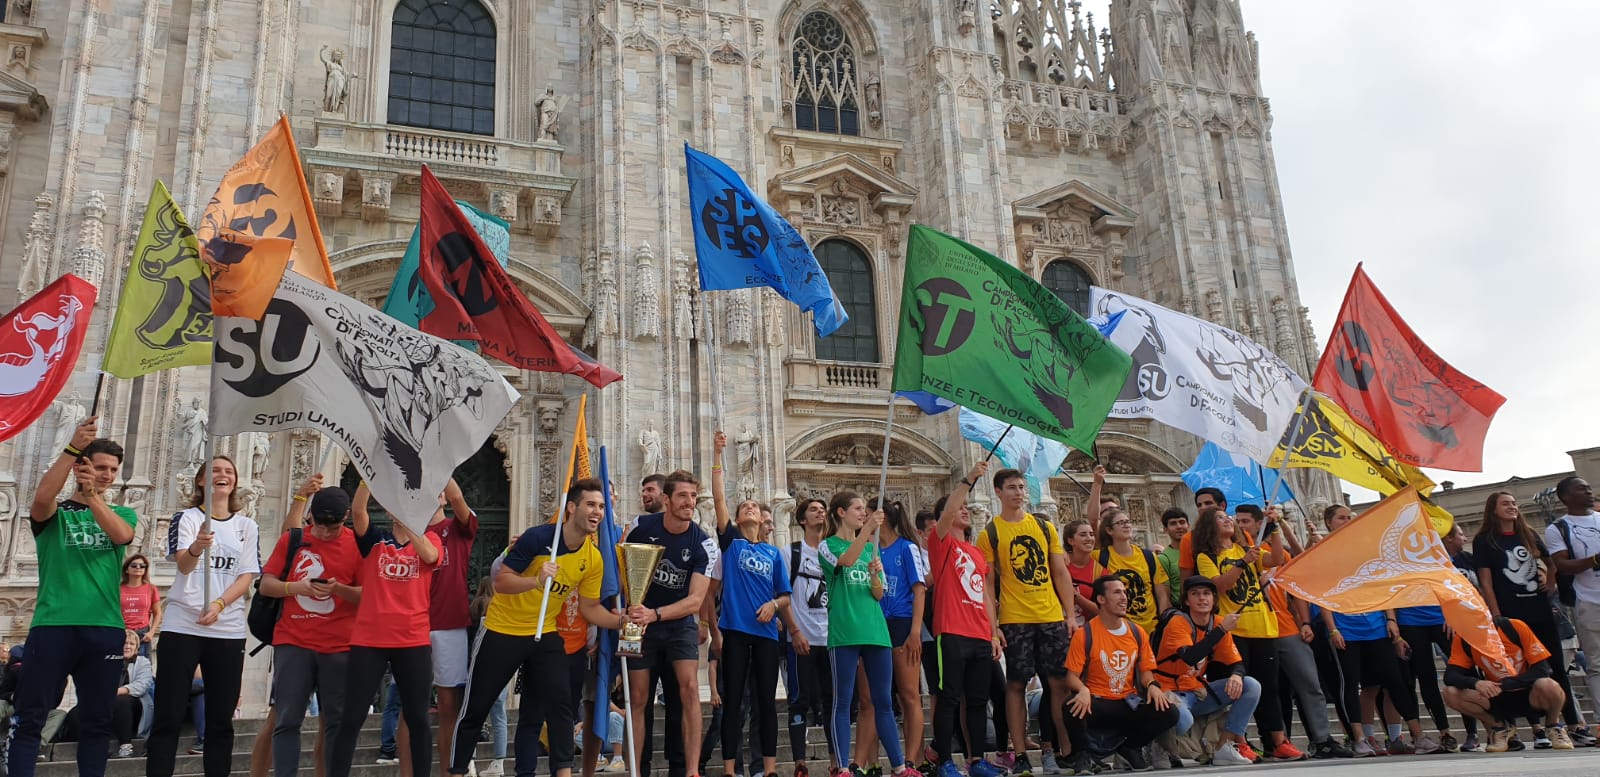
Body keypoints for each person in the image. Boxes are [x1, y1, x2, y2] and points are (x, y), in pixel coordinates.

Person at [450, 478, 626, 777]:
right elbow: (500, 582)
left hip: (544, 633)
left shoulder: (592, 558)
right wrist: (536, 580)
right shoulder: (537, 538)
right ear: (572, 507)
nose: (598, 511)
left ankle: (563, 772)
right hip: (502, 630)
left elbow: (589, 608)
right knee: (476, 707)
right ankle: (455, 771)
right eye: (591, 504)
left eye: (601, 506)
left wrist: (623, 620)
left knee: (560, 709)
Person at [9, 419, 135, 777]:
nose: (108, 474)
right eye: (100, 467)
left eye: (113, 469)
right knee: (31, 716)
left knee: (97, 720)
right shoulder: (55, 516)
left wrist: (94, 494)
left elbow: (122, 535)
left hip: (104, 628)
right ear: (83, 467)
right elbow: (41, 499)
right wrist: (71, 449)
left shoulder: (122, 513)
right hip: (53, 626)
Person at [149, 456, 261, 777]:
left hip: (226, 629)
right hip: (182, 624)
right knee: (168, 714)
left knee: (220, 719)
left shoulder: (246, 526)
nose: (222, 475)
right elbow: (183, 565)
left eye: (229, 471)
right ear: (201, 481)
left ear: (235, 481)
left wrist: (220, 605)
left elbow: (247, 575)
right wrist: (198, 545)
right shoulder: (185, 518)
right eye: (215, 471)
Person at [707, 431, 804, 777]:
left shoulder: (772, 553)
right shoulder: (731, 543)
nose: (750, 508)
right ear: (737, 518)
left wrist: (774, 607)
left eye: (754, 507)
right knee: (733, 702)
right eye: (745, 506)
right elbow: (718, 500)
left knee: (766, 702)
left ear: (762, 520)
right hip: (735, 631)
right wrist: (717, 457)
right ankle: (731, 770)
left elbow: (784, 594)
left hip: (764, 633)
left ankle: (771, 768)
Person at [329, 488, 443, 777]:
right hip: (369, 640)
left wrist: (410, 525)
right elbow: (357, 512)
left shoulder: (429, 540)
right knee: (351, 717)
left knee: (418, 717)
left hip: (412, 640)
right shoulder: (376, 541)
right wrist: (370, 476)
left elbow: (430, 556)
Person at [977, 468, 1075, 777]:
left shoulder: (1044, 527)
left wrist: (1069, 614)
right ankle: (1020, 752)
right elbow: (988, 584)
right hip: (1015, 617)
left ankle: (1057, 749)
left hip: (1049, 614)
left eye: (1021, 487)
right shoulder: (990, 532)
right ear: (998, 492)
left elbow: (1060, 571)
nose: (1019, 492)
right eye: (1011, 488)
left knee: (1057, 683)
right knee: (1016, 683)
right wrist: (993, 628)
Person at [1230, 508, 1349, 760]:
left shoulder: (1276, 554)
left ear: (1259, 523)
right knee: (1270, 690)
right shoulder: (1237, 556)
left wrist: (1305, 622)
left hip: (1286, 628)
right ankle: (1275, 741)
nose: (1241, 526)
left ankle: (1322, 738)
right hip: (1258, 631)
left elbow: (1295, 588)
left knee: (1309, 684)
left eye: (1246, 521)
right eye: (1237, 522)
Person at [261, 483, 363, 777]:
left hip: (340, 645)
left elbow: (368, 595)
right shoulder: (293, 540)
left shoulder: (357, 544)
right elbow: (266, 584)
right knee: (287, 719)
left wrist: (338, 589)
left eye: (332, 527)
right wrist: (297, 587)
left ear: (345, 519)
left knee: (335, 721)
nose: (325, 533)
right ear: (311, 518)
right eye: (319, 526)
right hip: (293, 641)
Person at [1317, 504, 1433, 757]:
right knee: (1351, 685)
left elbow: (1383, 587)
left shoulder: (1367, 550)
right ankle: (1360, 738)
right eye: (1341, 518)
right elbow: (1323, 594)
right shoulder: (1325, 552)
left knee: (1396, 681)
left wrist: (1391, 619)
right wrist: (1332, 629)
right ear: (1329, 522)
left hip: (1376, 626)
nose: (1347, 521)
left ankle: (1418, 735)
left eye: (1350, 517)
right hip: (1346, 628)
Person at [1472, 489, 1586, 746]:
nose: (1512, 507)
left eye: (1514, 503)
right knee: (1519, 671)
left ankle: (1573, 725)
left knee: (1557, 668)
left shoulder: (1529, 534)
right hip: (1512, 616)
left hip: (1540, 611)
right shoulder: (1485, 540)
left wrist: (1551, 579)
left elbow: (1553, 560)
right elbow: (1486, 582)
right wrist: (1497, 615)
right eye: (1505, 504)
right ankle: (1535, 729)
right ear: (1493, 510)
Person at [1191, 505, 1304, 760]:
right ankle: (1237, 741)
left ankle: (1278, 741)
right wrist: (1243, 563)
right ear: (1210, 526)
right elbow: (1219, 585)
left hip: (1263, 626)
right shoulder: (1206, 556)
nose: (1228, 520)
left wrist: (1274, 529)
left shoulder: (1245, 549)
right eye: (1221, 518)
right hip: (1234, 630)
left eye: (1228, 517)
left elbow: (1276, 559)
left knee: (1269, 689)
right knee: (1236, 688)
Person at [623, 470, 716, 777]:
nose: (690, 503)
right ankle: (636, 770)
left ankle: (691, 771)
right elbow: (622, 567)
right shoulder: (640, 526)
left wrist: (656, 614)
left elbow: (695, 599)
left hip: (677, 624)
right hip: (638, 622)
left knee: (690, 689)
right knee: (637, 697)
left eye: (693, 497)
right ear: (667, 499)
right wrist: (630, 609)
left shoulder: (704, 543)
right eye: (683, 496)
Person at [818, 492, 908, 777]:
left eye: (864, 510)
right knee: (843, 701)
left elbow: (878, 593)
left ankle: (900, 766)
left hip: (875, 630)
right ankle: (843, 767)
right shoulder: (827, 545)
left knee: (883, 701)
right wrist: (869, 532)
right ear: (841, 512)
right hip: (845, 631)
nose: (863, 513)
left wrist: (874, 573)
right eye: (858, 508)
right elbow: (844, 560)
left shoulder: (871, 549)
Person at [929, 463, 1006, 777]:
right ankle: (945, 759)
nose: (964, 510)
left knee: (977, 701)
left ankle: (977, 760)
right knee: (948, 698)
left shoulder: (974, 552)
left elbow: (985, 594)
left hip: (978, 633)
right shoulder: (942, 544)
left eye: (965, 507)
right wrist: (969, 481)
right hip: (951, 630)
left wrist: (993, 631)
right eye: (959, 507)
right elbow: (947, 513)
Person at [1062, 576, 1178, 773]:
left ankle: (1130, 748)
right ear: (1101, 599)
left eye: (1124, 592)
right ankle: (1082, 755)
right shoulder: (1085, 633)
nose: (1124, 597)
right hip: (1097, 702)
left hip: (1128, 702)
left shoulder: (1137, 632)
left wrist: (1153, 686)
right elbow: (1071, 676)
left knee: (1169, 711)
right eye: (1117, 592)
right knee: (1070, 706)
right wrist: (1082, 689)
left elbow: (1146, 673)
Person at [1151, 576, 1258, 766]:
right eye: (1195, 594)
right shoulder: (1178, 622)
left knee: (1251, 685)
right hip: (1169, 690)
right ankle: (1157, 744)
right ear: (1186, 600)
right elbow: (1190, 656)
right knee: (1183, 720)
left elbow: (1237, 662)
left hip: (1198, 691)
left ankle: (1223, 747)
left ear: (1213, 599)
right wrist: (1222, 630)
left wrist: (1237, 675)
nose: (1202, 598)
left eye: (1207, 594)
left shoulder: (1217, 623)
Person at [851, 499, 925, 773]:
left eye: (867, 514)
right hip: (872, 623)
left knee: (908, 694)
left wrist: (915, 631)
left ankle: (910, 759)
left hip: (901, 622)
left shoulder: (907, 548)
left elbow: (919, 590)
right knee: (868, 698)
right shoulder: (867, 550)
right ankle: (867, 762)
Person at [1442, 615, 1572, 751]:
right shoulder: (1465, 636)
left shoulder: (1515, 627)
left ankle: (1553, 726)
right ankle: (1499, 727)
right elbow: (1450, 675)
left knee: (1549, 685)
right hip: (1495, 695)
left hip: (1528, 692)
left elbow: (1542, 669)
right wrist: (1476, 683)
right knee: (1450, 693)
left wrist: (1506, 684)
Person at [1543, 477, 1600, 733]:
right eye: (1581, 488)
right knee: (1597, 664)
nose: (1588, 491)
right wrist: (1595, 560)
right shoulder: (1559, 528)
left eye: (1589, 488)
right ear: (1565, 497)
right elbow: (1562, 564)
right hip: (1588, 601)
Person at [787, 497, 833, 777]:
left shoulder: (833, 554)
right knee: (799, 699)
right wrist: (794, 631)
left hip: (830, 638)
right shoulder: (790, 552)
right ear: (802, 519)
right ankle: (799, 762)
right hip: (803, 637)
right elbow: (782, 595)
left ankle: (834, 761)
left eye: (822, 509)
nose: (820, 512)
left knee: (831, 700)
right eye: (813, 510)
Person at [1094, 508, 1169, 634]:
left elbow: (1162, 594)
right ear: (1109, 530)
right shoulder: (1100, 557)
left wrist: (1164, 623)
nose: (1126, 525)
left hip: (1152, 628)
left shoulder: (1148, 557)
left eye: (1128, 522)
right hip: (1119, 628)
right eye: (1121, 523)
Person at [1178, 488, 1227, 578]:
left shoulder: (1242, 534)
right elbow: (1186, 578)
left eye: (1208, 503)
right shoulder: (1189, 539)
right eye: (1199, 505)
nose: (1202, 508)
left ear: (1222, 506)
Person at [120, 554, 162, 658]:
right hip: (122, 631)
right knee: (119, 668)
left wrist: (151, 632)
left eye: (142, 565)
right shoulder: (118, 589)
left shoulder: (151, 589)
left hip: (143, 634)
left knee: (143, 668)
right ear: (126, 570)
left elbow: (157, 613)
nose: (138, 568)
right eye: (134, 565)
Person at [1154, 509, 1188, 606]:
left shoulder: (1199, 551)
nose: (1179, 527)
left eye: (1182, 522)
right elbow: (1164, 596)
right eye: (1173, 524)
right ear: (1165, 529)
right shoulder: (1163, 558)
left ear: (1188, 525)